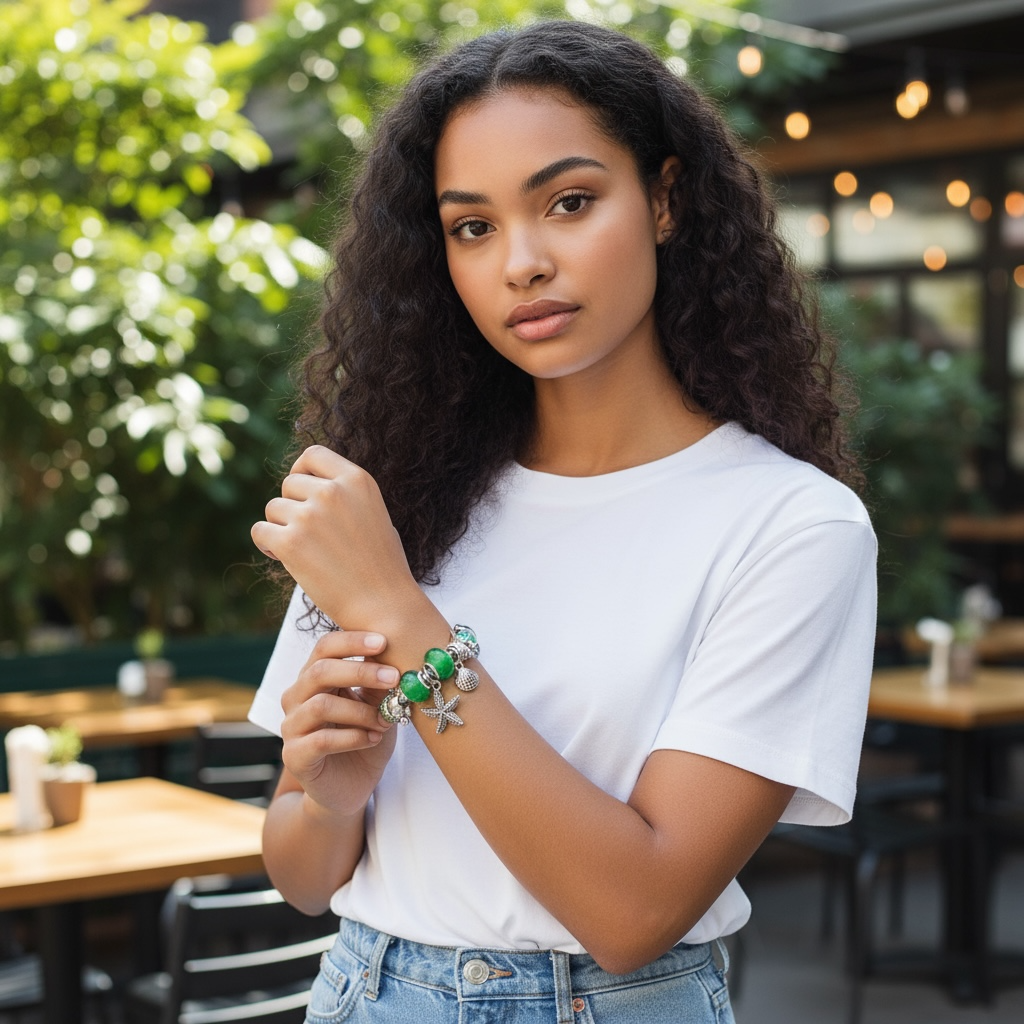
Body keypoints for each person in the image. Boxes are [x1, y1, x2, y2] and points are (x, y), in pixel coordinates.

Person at [248, 19, 876, 1024]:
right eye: (472, 226)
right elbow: (303, 876)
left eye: (569, 203)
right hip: (362, 992)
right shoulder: (406, 493)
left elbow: (633, 910)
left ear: (665, 198)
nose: (522, 262)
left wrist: (404, 622)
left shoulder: (791, 525)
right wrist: (328, 795)